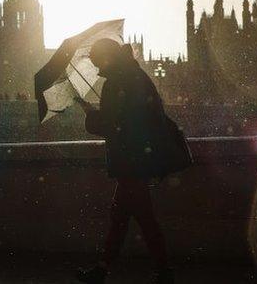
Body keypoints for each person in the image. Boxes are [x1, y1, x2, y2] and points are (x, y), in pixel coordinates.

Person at [75, 38, 188, 284]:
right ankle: (104, 269)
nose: (95, 68)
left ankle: (161, 271)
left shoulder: (120, 81)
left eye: (97, 62)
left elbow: (119, 124)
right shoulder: (131, 76)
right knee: (121, 217)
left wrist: (91, 116)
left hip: (131, 160)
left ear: (107, 58)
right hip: (136, 159)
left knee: (141, 218)